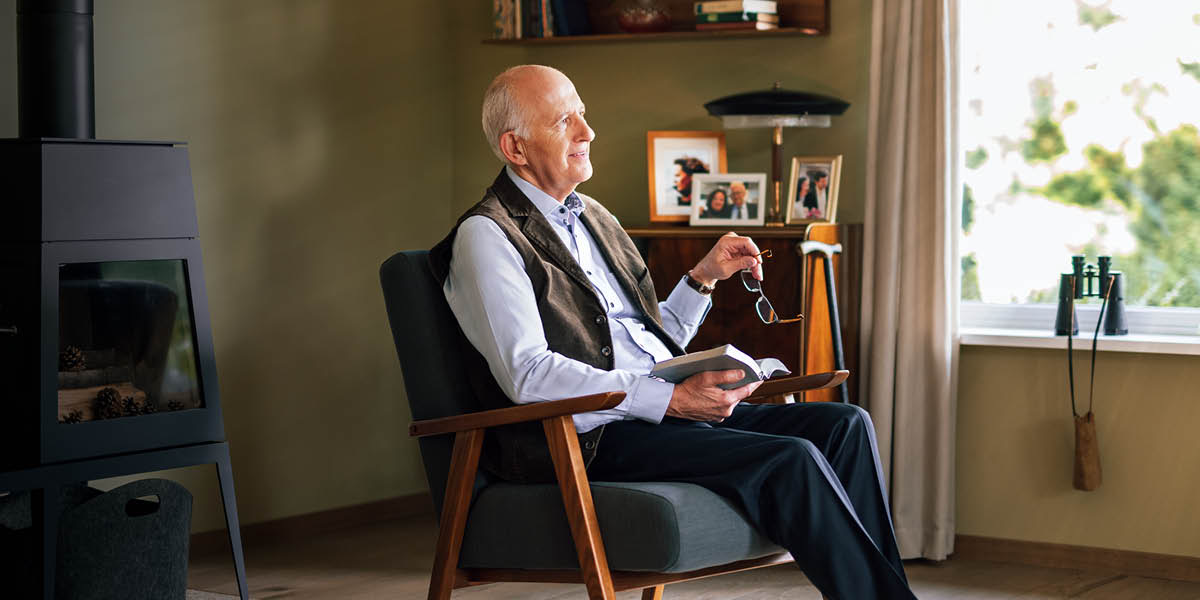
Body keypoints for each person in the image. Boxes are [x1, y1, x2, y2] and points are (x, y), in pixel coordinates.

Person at [429, 64, 916, 600]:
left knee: (846, 424)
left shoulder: (592, 217)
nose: (587, 132)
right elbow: (528, 373)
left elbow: (642, 339)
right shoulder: (487, 237)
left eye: (583, 115)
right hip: (586, 438)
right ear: (515, 148)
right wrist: (670, 400)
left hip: (649, 415)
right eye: (564, 121)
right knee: (792, 458)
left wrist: (703, 278)